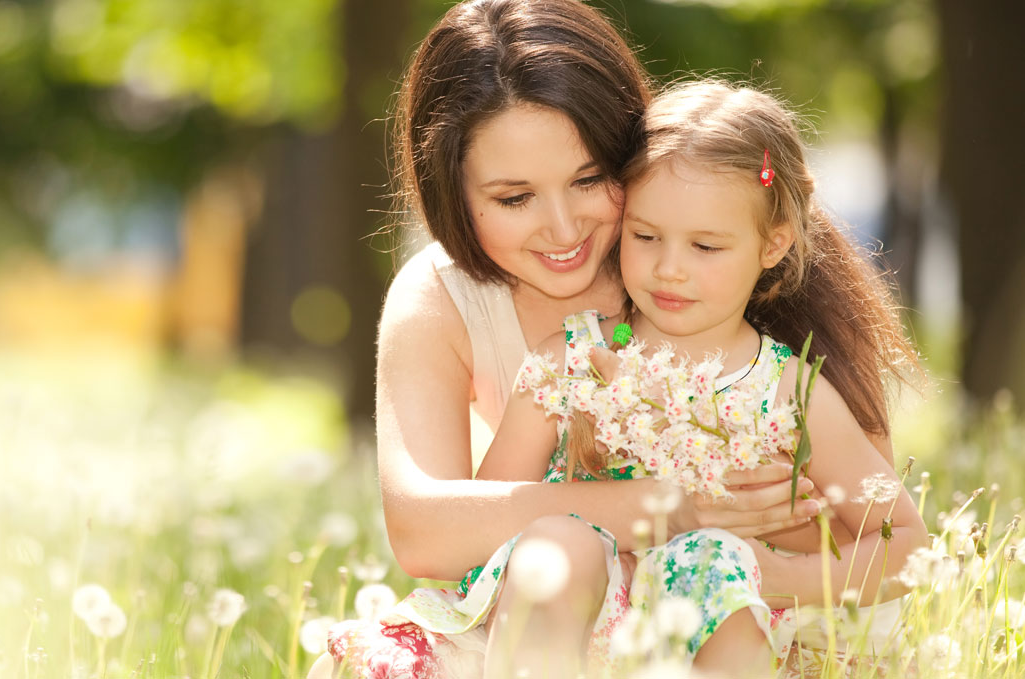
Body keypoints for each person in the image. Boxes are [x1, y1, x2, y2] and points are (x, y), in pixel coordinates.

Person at [311, 1, 825, 677]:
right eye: (513, 197)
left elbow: (857, 520)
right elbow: (423, 531)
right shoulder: (442, 297)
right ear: (453, 194)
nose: (562, 229)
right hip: (537, 616)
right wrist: (656, 505)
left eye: (588, 179)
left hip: (710, 624)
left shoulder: (710, 260)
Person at [465, 79, 928, 676]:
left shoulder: (788, 391)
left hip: (726, 632)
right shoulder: (571, 362)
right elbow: (484, 523)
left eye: (706, 246)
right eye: (646, 236)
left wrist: (776, 574)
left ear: (773, 244)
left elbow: (904, 543)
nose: (670, 269)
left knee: (713, 560)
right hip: (582, 630)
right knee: (556, 544)